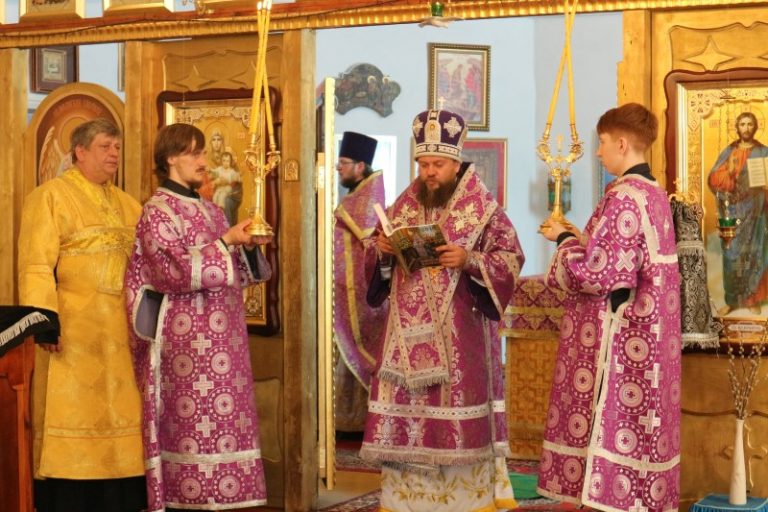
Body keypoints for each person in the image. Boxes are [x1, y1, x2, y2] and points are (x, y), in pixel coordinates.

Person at [360, 109, 524, 511]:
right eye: (423, 164)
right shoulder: (404, 204)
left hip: (459, 340)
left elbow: (510, 259)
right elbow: (377, 263)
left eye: (437, 164)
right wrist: (383, 251)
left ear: (456, 162)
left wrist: (469, 259)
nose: (429, 172)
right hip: (404, 346)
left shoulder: (482, 209)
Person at [537, 103, 681, 512]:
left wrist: (563, 241)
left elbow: (596, 275)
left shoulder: (623, 197)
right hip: (652, 341)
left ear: (621, 144)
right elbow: (621, 256)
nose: (598, 152)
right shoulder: (655, 194)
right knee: (640, 432)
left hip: (621, 341)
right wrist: (581, 238)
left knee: (611, 426)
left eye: (601, 143)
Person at [124, 123, 272, 511]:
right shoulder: (156, 212)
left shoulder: (212, 210)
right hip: (186, 348)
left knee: (227, 427)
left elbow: (239, 273)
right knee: (191, 430)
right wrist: (226, 242)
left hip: (227, 344)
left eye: (203, 152)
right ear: (171, 157)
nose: (203, 161)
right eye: (194, 153)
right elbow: (171, 272)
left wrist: (248, 247)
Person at [17, 118, 147, 512]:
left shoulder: (129, 204)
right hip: (74, 333)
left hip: (123, 333)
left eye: (117, 147)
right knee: (74, 419)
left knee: (123, 422)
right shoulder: (50, 197)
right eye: (106, 146)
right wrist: (44, 321)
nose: (114, 154)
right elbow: (36, 264)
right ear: (80, 151)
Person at [332, 131, 388, 432]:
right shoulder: (356, 195)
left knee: (358, 347)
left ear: (360, 165)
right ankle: (345, 419)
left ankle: (358, 421)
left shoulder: (367, 198)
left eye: (343, 162)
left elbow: (369, 241)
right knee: (344, 351)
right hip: (343, 290)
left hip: (359, 293)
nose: (338, 168)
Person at [707, 111, 768, 314]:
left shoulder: (764, 152)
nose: (746, 128)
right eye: (743, 124)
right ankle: (732, 300)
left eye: (750, 124)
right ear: (737, 127)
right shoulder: (730, 151)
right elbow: (714, 179)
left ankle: (753, 300)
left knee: (755, 253)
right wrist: (730, 171)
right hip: (734, 211)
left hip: (757, 212)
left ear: (756, 127)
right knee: (732, 255)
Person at [211, 151, 243, 226]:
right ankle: (216, 209)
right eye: (224, 161)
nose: (225, 163)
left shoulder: (231, 171)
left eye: (227, 161)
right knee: (215, 196)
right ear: (221, 161)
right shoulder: (220, 169)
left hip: (227, 188)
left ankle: (221, 208)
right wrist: (210, 170)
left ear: (230, 162)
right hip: (220, 188)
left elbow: (237, 177)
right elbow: (215, 172)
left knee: (222, 196)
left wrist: (239, 176)